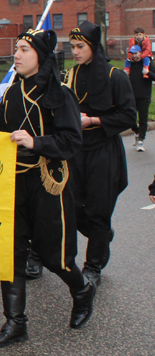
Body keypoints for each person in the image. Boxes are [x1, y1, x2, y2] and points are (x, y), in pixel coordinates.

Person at [0, 28, 94, 349]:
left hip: (47, 182)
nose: (16, 55)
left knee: (53, 256)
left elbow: (72, 140)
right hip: (13, 182)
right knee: (12, 253)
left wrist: (37, 142)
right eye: (16, 49)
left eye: (23, 49)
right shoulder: (11, 92)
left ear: (41, 56)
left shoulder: (60, 94)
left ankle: (82, 290)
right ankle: (15, 322)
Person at [67, 21, 136, 288]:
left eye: (80, 46)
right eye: (72, 46)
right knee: (72, 208)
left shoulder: (114, 76)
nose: (75, 51)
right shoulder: (70, 76)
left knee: (98, 210)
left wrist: (94, 121)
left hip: (104, 152)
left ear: (93, 47)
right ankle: (102, 235)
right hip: (76, 151)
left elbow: (128, 116)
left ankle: (93, 267)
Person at [127, 44, 155, 152]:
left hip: (144, 96)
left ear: (140, 53)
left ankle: (140, 141)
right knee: (129, 118)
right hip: (131, 97)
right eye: (132, 54)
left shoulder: (147, 64)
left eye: (136, 53)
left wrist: (148, 73)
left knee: (143, 119)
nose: (134, 56)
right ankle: (137, 131)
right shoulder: (129, 64)